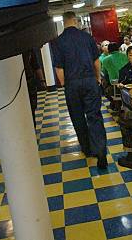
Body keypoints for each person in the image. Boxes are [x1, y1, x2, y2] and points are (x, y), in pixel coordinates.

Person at [52, 12, 108, 168]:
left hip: (72, 84)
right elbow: (96, 61)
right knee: (94, 116)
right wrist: (97, 78)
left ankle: (87, 149)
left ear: (63, 22)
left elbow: (59, 68)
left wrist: (65, 85)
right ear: (75, 21)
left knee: (77, 117)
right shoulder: (87, 37)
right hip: (90, 80)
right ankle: (101, 152)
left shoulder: (58, 41)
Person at [22, 48, 45, 127]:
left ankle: (32, 128)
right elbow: (36, 66)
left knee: (32, 107)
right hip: (25, 82)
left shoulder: (29, 49)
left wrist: (42, 80)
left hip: (29, 81)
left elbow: (36, 66)